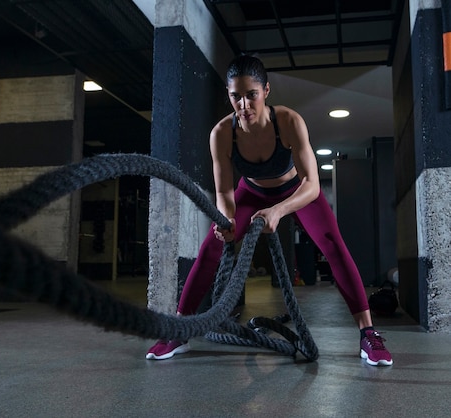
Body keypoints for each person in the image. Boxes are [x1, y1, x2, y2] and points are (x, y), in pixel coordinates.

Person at [145, 54, 393, 366]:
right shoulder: (222, 133)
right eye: (236, 97)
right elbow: (223, 189)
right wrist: (228, 218)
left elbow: (312, 184)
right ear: (229, 95)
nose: (244, 105)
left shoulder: (288, 121)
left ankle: (368, 334)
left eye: (252, 95)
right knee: (212, 246)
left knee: (333, 245)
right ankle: (178, 332)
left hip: (296, 191)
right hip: (251, 191)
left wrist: (277, 211)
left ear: (266, 91)